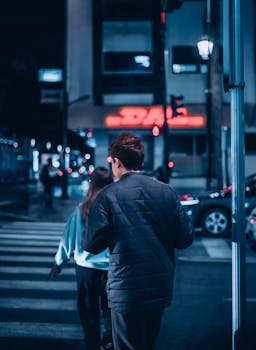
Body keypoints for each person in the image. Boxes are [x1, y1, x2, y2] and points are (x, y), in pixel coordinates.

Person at [82, 132, 194, 350]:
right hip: (158, 286)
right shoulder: (167, 192)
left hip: (125, 288)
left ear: (116, 162)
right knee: (147, 344)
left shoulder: (107, 196)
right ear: (140, 162)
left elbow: (92, 244)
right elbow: (185, 238)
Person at [49, 166, 114, 350]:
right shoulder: (115, 209)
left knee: (89, 312)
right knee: (110, 310)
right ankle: (109, 343)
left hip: (86, 269)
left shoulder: (82, 209)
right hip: (110, 269)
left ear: (92, 184)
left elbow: (67, 238)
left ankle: (92, 345)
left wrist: (58, 262)